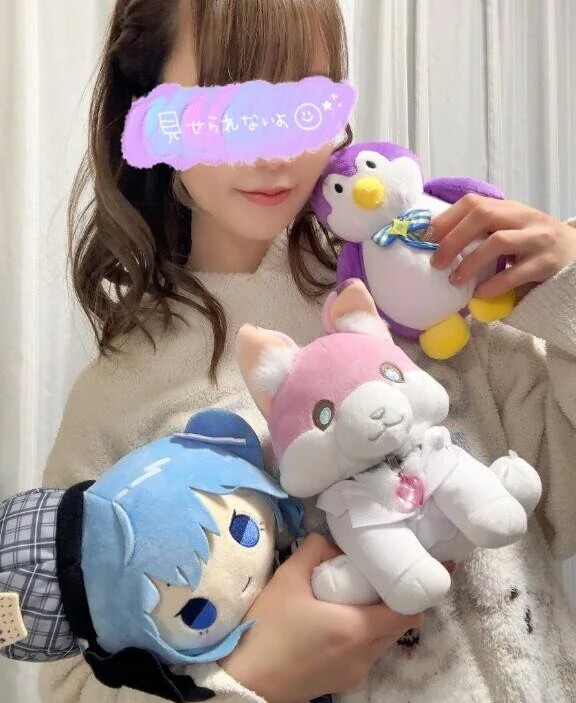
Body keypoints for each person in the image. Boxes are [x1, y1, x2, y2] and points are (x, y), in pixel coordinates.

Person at [39, 1, 576, 702]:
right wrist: (248, 679)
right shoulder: (119, 396)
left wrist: (565, 288)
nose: (275, 150)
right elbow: (66, 682)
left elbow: (562, 503)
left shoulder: (421, 288)